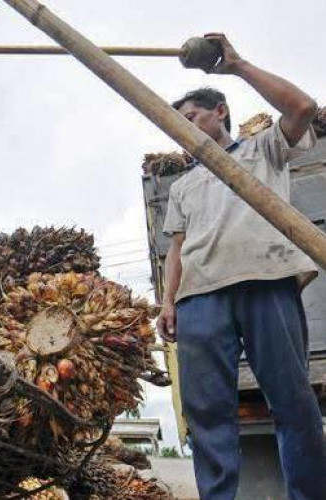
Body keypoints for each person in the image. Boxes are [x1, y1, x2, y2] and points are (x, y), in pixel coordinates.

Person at [156, 33, 326, 500]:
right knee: (207, 412)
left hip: (267, 283)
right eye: (177, 123)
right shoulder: (182, 186)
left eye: (191, 117)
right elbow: (177, 249)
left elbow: (304, 107)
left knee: (293, 403)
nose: (183, 127)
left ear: (220, 112)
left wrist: (237, 66)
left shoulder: (262, 149)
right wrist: (168, 302)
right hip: (200, 298)